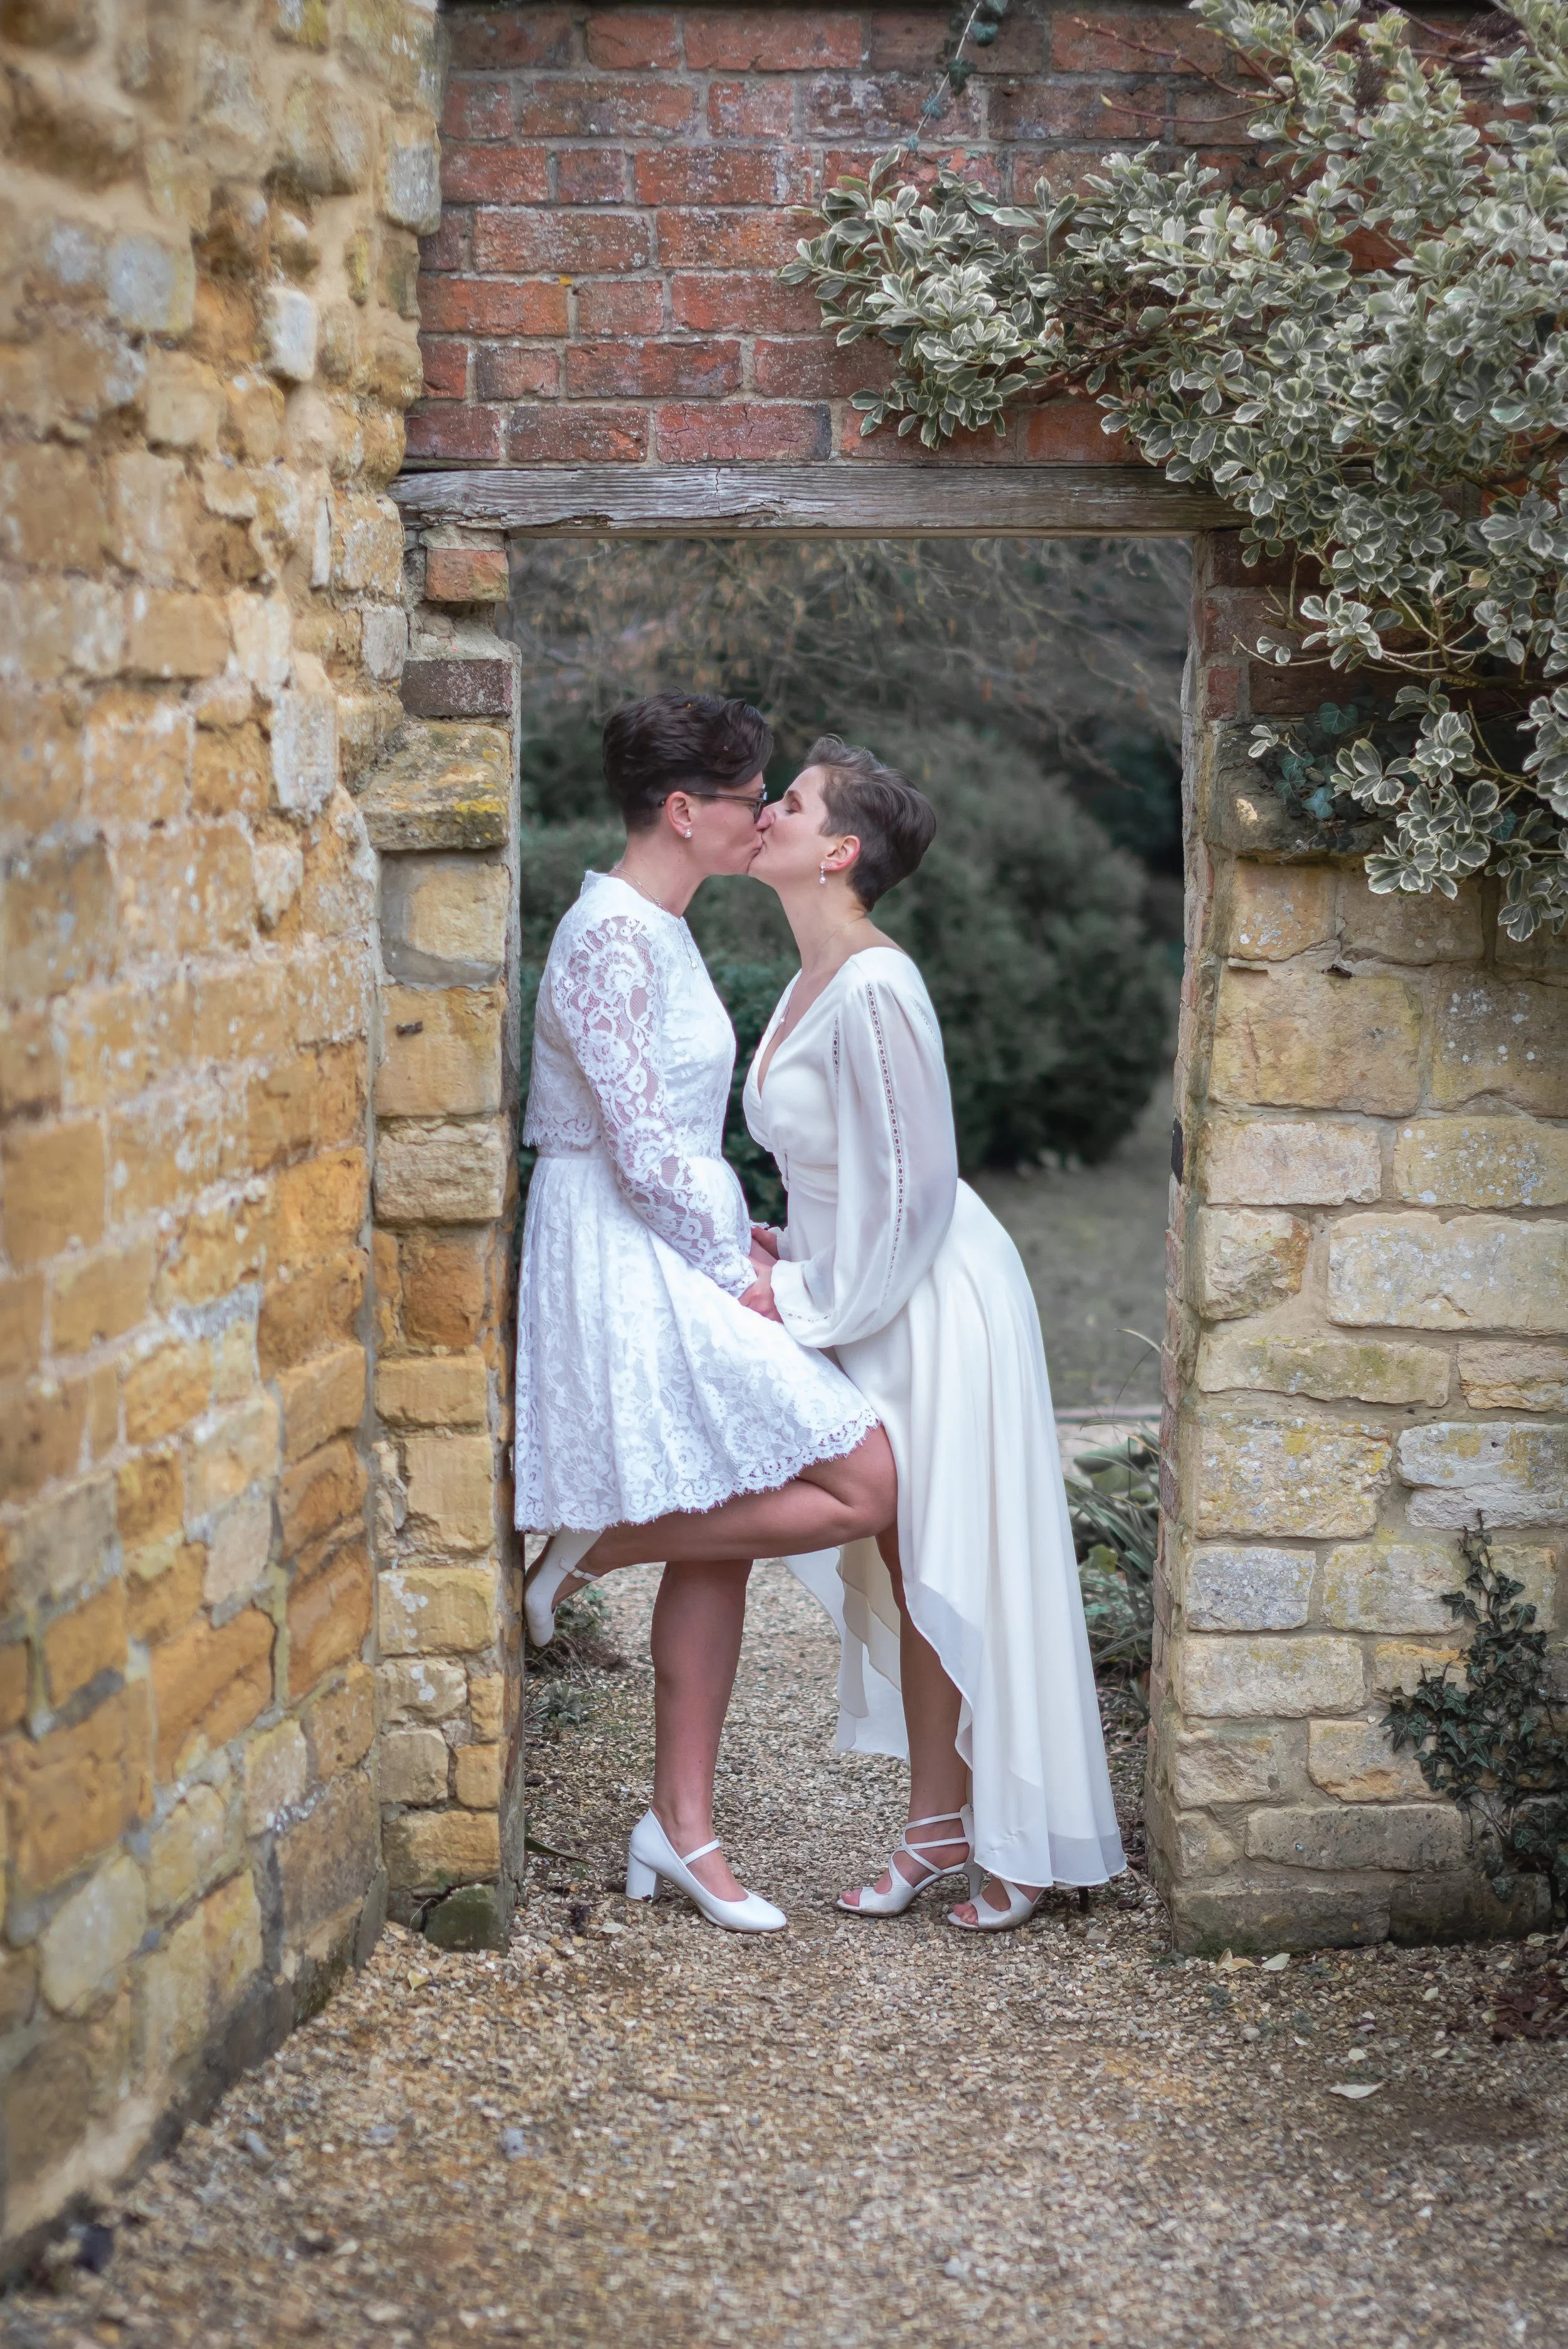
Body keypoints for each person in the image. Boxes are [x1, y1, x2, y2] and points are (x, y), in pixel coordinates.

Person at [515, 693, 896, 1936]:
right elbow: (635, 1148)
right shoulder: (609, 938)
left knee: (715, 1532)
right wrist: (736, 1269)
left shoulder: (656, 928)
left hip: (663, 1230)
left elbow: (670, 1141)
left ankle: (680, 1831)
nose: (762, 814)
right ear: (683, 812)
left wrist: (752, 1237)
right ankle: (595, 1545)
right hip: (618, 1248)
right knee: (864, 1475)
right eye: (747, 797)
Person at [739, 737, 1125, 1929]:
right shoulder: (808, 979)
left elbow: (915, 1190)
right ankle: (940, 1825)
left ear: (839, 850)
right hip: (867, 1287)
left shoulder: (874, 983)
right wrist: (788, 1250)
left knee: (954, 1562)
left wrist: (798, 1303)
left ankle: (1014, 1829)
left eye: (789, 804)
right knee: (914, 1574)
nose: (766, 811)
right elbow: (848, 1176)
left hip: (931, 1301)